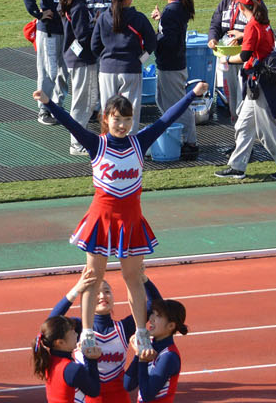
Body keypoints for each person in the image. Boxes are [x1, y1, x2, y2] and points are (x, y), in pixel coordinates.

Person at [33, 79, 207, 340]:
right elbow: (70, 123)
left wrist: (192, 94)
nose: (122, 125)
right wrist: (49, 103)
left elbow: (167, 119)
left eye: (127, 119)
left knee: (133, 278)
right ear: (106, 118)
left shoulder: (139, 142)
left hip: (131, 220)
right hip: (101, 219)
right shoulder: (96, 144)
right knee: (93, 277)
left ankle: (141, 332)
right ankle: (88, 333)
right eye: (117, 119)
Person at [215, 0, 276, 181]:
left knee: (267, 130)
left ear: (241, 6)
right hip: (260, 83)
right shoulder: (263, 22)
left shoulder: (252, 26)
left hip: (260, 85)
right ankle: (237, 167)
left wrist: (226, 59)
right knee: (244, 125)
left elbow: (244, 56)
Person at [91, 0, 156, 128]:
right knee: (131, 111)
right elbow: (152, 43)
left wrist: (106, 59)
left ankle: (109, 139)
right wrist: (140, 60)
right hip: (131, 69)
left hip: (107, 70)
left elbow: (94, 46)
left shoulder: (103, 17)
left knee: (108, 111)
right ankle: (130, 141)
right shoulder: (138, 18)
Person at [23, 0, 75, 124]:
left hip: (66, 31)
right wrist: (38, 14)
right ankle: (43, 110)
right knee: (48, 71)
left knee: (64, 70)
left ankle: (57, 106)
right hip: (49, 31)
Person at [151, 0, 198, 161]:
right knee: (164, 101)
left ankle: (190, 142)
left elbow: (169, 40)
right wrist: (161, 20)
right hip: (173, 64)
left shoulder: (172, 11)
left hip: (171, 65)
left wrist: (152, 38)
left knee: (177, 105)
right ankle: (179, 136)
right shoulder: (177, 8)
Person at [60, 0, 99, 153]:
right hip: (81, 59)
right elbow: (83, 35)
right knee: (83, 102)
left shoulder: (72, 1)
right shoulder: (79, 6)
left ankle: (79, 139)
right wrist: (97, 29)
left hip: (75, 57)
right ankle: (76, 143)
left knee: (85, 101)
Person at [207, 0, 255, 119]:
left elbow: (259, 27)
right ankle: (236, 118)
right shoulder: (225, 3)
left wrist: (242, 36)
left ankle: (246, 121)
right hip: (228, 55)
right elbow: (215, 24)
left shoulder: (252, 3)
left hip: (246, 56)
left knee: (245, 91)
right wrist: (213, 38)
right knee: (232, 92)